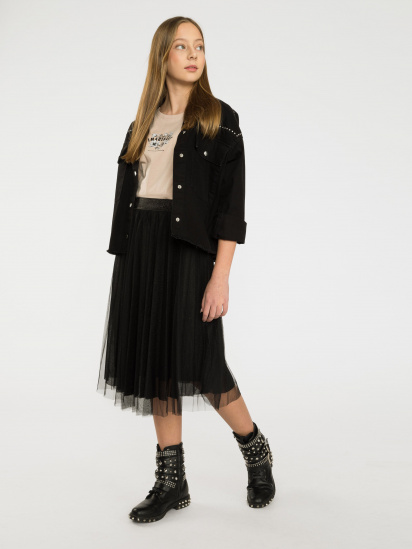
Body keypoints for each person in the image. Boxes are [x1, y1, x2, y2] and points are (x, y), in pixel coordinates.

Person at [96, 16, 276, 523]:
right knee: (158, 364)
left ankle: (255, 449)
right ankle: (171, 481)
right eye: (181, 46)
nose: (193, 54)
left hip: (189, 251)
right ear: (163, 56)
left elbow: (230, 208)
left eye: (199, 46)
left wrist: (220, 276)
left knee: (203, 365)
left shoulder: (220, 119)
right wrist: (128, 259)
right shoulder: (142, 123)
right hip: (142, 250)